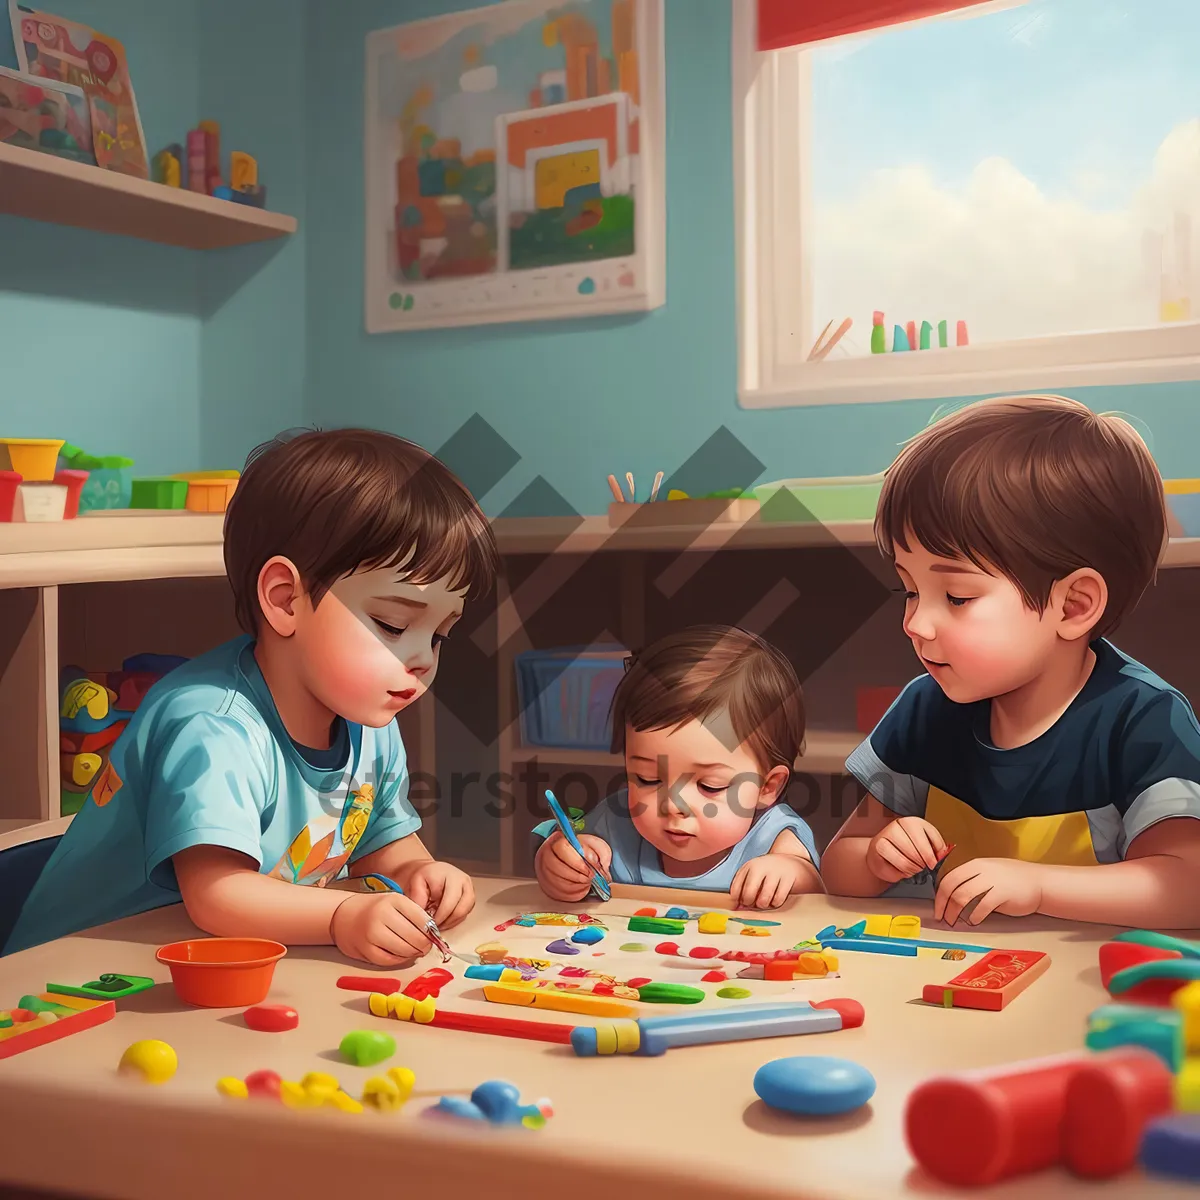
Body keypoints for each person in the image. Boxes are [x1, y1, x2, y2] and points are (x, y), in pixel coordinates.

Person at [5, 428, 498, 963]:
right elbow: (218, 894)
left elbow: (381, 844)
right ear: (285, 600)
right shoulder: (213, 726)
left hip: (208, 967)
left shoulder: (369, 719)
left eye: (440, 635)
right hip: (75, 973)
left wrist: (420, 876)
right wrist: (341, 916)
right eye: (392, 623)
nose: (423, 657)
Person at [820, 395, 1200, 928]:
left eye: (956, 597)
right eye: (908, 590)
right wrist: (877, 858)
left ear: (1073, 606)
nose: (915, 624)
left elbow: (1188, 886)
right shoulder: (925, 708)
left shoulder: (1143, 720)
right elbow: (839, 866)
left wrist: (1039, 885)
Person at [534, 625, 823, 908]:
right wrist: (557, 863)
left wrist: (788, 873)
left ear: (767, 786)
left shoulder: (773, 837)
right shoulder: (614, 823)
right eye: (647, 779)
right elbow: (562, 846)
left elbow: (814, 893)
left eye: (709, 785)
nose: (673, 805)